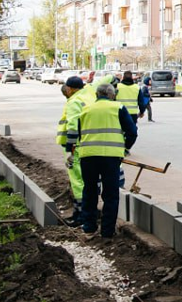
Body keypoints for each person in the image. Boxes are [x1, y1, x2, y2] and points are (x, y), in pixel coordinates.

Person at [72, 81, 137, 239]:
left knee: (90, 190)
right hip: (111, 157)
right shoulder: (118, 108)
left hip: (88, 155)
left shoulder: (86, 109)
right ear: (112, 95)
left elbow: (80, 133)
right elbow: (132, 132)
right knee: (110, 194)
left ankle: (89, 228)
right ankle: (107, 232)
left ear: (96, 95)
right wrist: (125, 148)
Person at [57, 76, 90, 226]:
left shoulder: (74, 102)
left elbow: (73, 125)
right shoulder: (88, 94)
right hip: (88, 144)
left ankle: (81, 216)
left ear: (70, 89)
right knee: (88, 179)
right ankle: (87, 213)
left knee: (78, 182)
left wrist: (70, 148)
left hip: (77, 147)